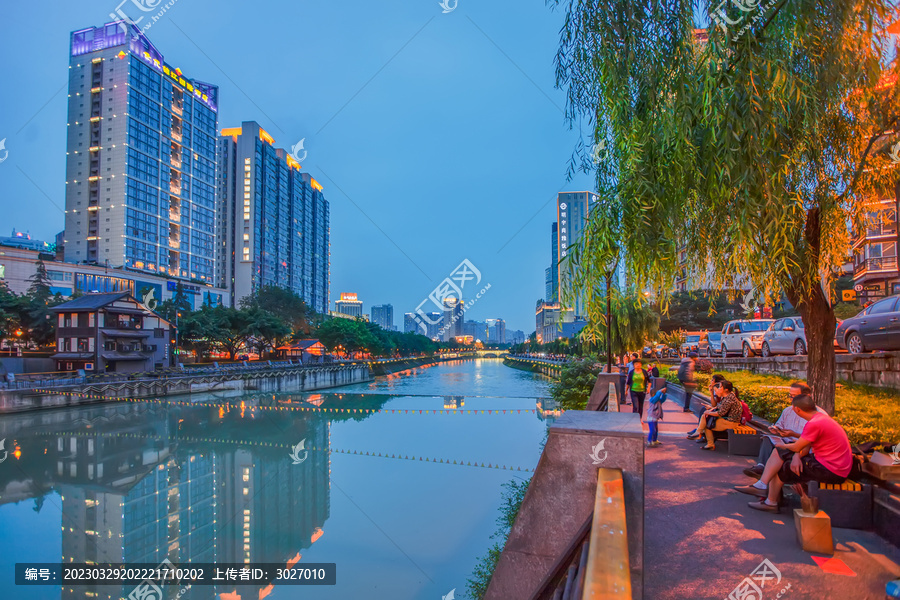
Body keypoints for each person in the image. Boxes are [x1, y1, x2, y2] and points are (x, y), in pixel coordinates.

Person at [736, 394, 853, 513]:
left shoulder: (814, 424)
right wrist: (795, 455)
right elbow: (805, 447)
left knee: (783, 463)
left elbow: (797, 446)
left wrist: (781, 445)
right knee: (782, 455)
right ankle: (763, 488)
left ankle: (768, 498)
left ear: (797, 409)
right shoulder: (821, 419)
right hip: (832, 465)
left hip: (832, 470)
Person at [742, 382, 825, 478]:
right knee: (768, 439)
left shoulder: (818, 416)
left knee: (780, 450)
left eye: (795, 396)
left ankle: (763, 482)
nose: (792, 400)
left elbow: (812, 439)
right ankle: (762, 471)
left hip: (804, 447)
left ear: (806, 396)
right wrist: (776, 429)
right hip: (790, 442)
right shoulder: (788, 410)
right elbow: (779, 425)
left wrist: (794, 438)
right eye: (790, 396)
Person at [691, 380, 741, 450]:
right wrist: (711, 408)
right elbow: (720, 409)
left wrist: (708, 412)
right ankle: (704, 438)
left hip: (731, 422)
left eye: (720, 387)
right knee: (706, 421)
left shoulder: (729, 399)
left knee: (706, 421)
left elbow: (720, 413)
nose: (718, 389)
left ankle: (700, 434)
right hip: (727, 420)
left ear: (725, 389)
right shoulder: (727, 396)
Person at [646, 382, 667, 447]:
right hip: (651, 418)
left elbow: (663, 399)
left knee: (656, 430)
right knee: (652, 430)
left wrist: (663, 394)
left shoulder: (658, 401)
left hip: (655, 418)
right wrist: (660, 391)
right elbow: (657, 396)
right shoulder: (652, 400)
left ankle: (654, 440)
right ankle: (649, 441)